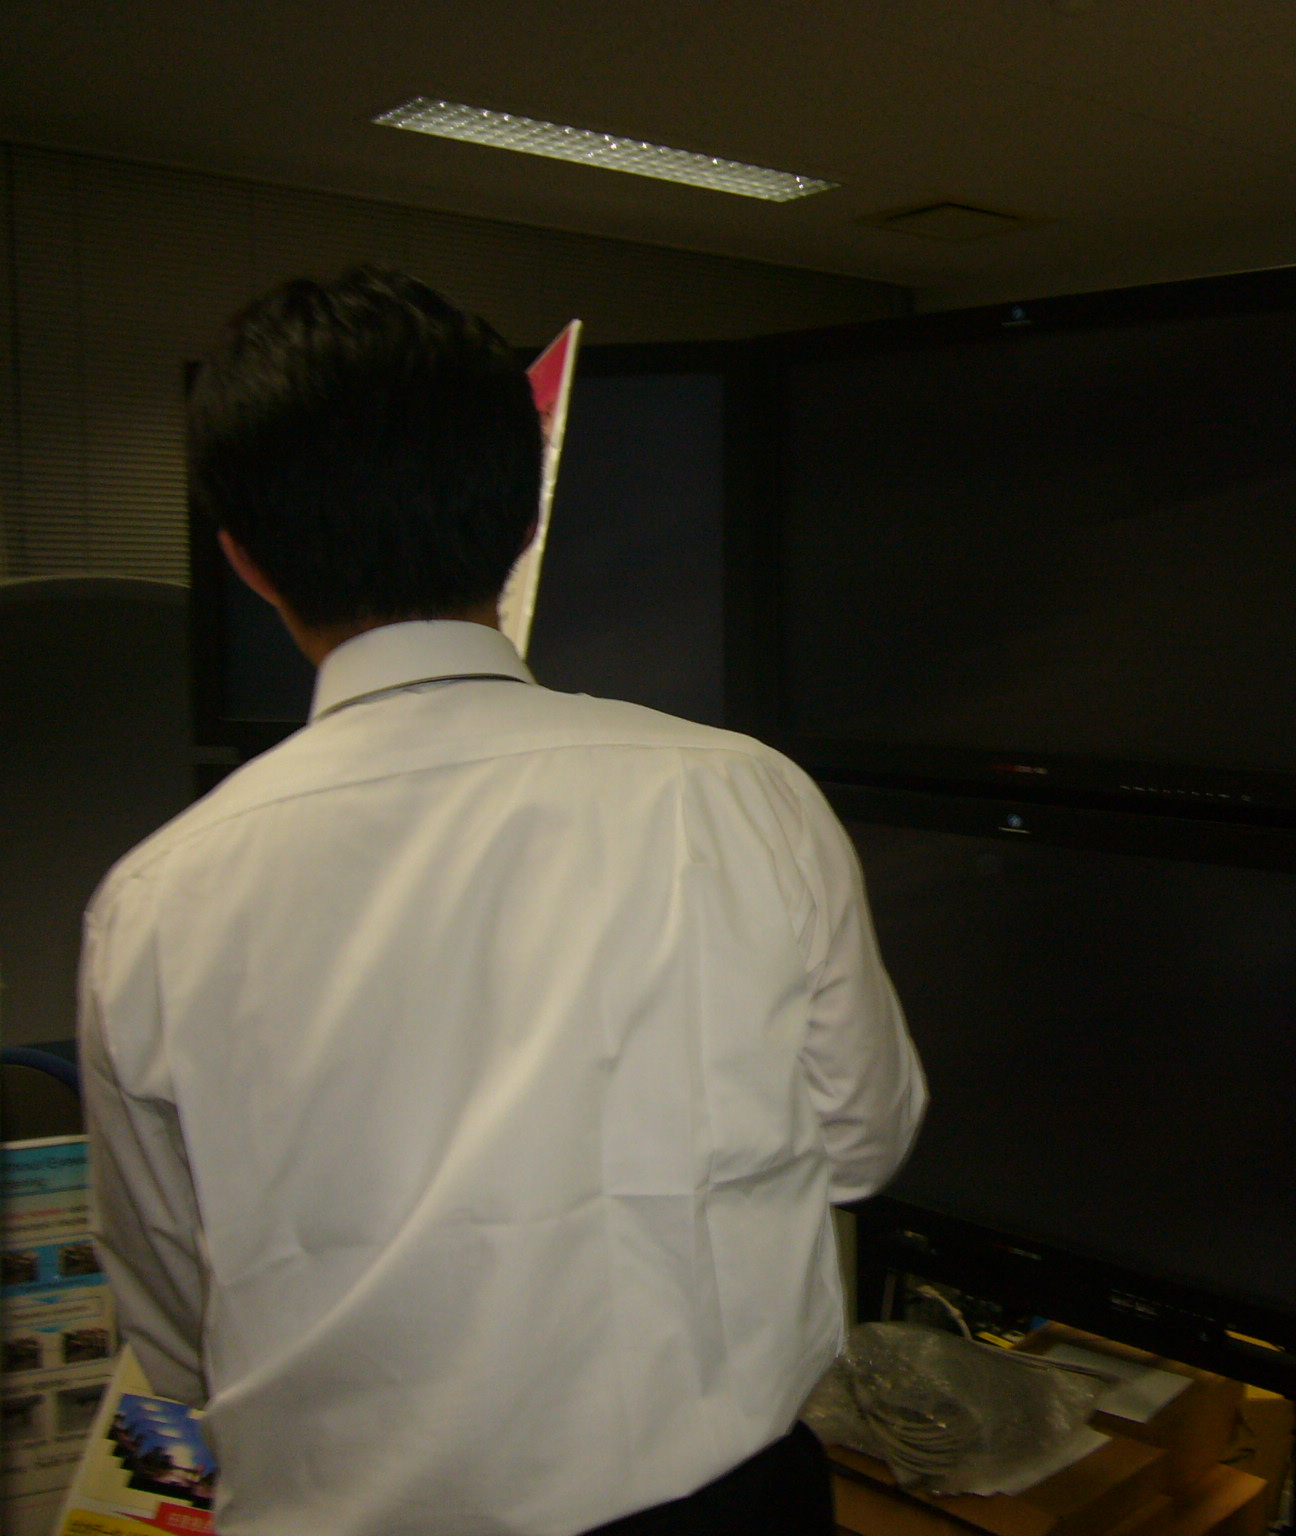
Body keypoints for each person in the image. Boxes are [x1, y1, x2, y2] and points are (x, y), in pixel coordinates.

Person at [80, 266, 926, 1536]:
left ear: (243, 558)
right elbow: (863, 1145)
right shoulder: (741, 795)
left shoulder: (151, 906)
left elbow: (174, 1326)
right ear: (530, 514)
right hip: (722, 1513)